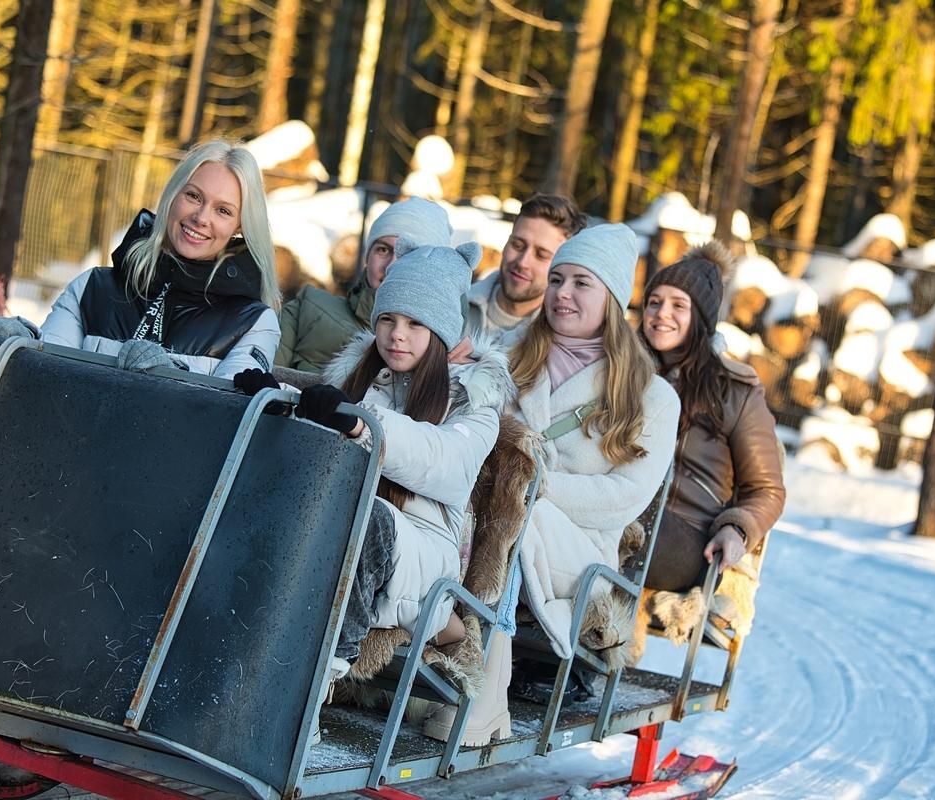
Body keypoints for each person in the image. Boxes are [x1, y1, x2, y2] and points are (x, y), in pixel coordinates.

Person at [423, 223, 680, 746]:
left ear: (610, 296)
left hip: (580, 549)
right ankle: (425, 672)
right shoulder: (511, 352)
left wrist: (536, 486)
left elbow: (624, 497)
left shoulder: (651, 397)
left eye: (581, 283)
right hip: (487, 517)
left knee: (517, 512)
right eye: (557, 279)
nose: (562, 293)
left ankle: (486, 694)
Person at [295, 239, 512, 681]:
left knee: (368, 517)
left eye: (416, 323)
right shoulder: (363, 377)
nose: (397, 334)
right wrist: (278, 397)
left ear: (442, 330)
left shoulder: (475, 396)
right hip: (345, 527)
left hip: (426, 554)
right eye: (388, 319)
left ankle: (322, 680)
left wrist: (360, 424)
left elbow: (448, 464)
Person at [0, 140, 281, 378]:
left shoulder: (253, 323)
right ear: (172, 196)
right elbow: (50, 369)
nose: (201, 217)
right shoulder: (93, 288)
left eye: (223, 210)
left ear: (240, 225)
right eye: (193, 196)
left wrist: (172, 377)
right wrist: (19, 344)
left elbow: (230, 413)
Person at [638, 242, 785, 593]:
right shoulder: (623, 370)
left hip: (688, 537)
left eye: (678, 305)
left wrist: (736, 529)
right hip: (620, 510)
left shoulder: (735, 391)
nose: (661, 314)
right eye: (654, 302)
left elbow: (766, 489)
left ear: (701, 318)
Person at [274, 198, 453, 373]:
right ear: (367, 257)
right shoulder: (308, 308)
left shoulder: (449, 349)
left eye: (408, 254)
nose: (391, 266)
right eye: (383, 250)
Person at [462, 193, 588, 347]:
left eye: (541, 255)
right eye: (518, 245)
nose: (523, 262)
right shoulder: (455, 305)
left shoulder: (564, 343)